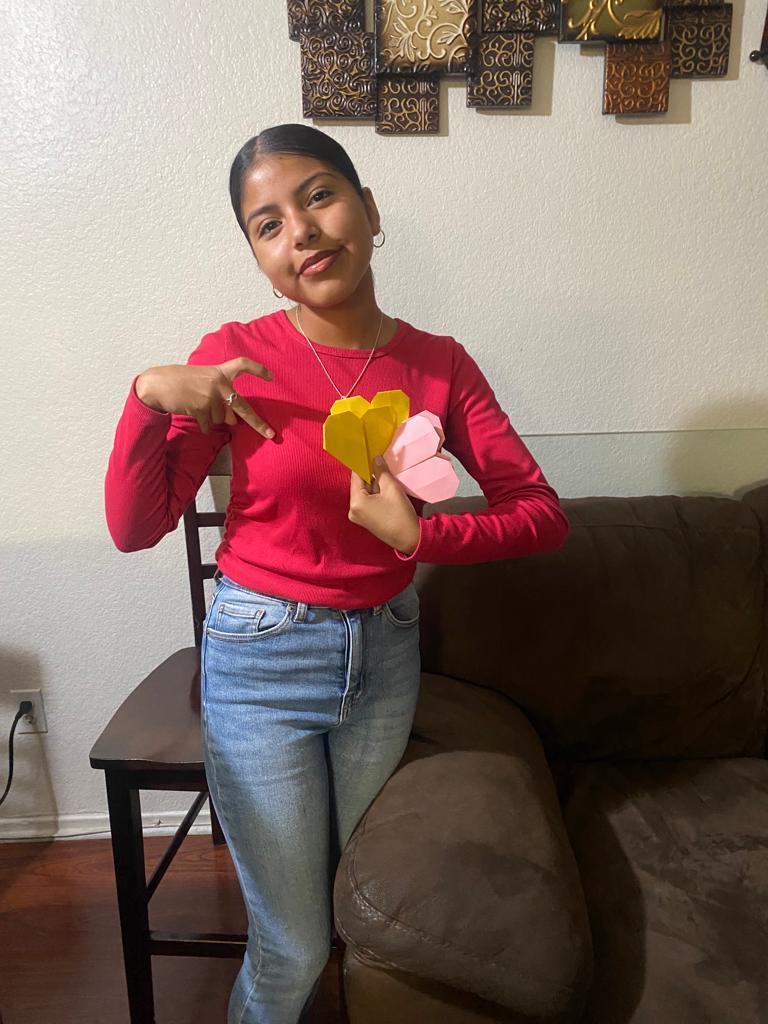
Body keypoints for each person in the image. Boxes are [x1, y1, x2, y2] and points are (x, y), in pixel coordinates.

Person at [104, 123, 570, 1024]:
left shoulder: (440, 363)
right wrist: (148, 398)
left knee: (357, 903)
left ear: (369, 209)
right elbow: (135, 527)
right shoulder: (234, 356)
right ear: (259, 257)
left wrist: (420, 538)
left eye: (319, 196)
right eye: (268, 224)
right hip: (260, 661)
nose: (302, 232)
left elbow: (540, 513)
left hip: (384, 660)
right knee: (292, 949)